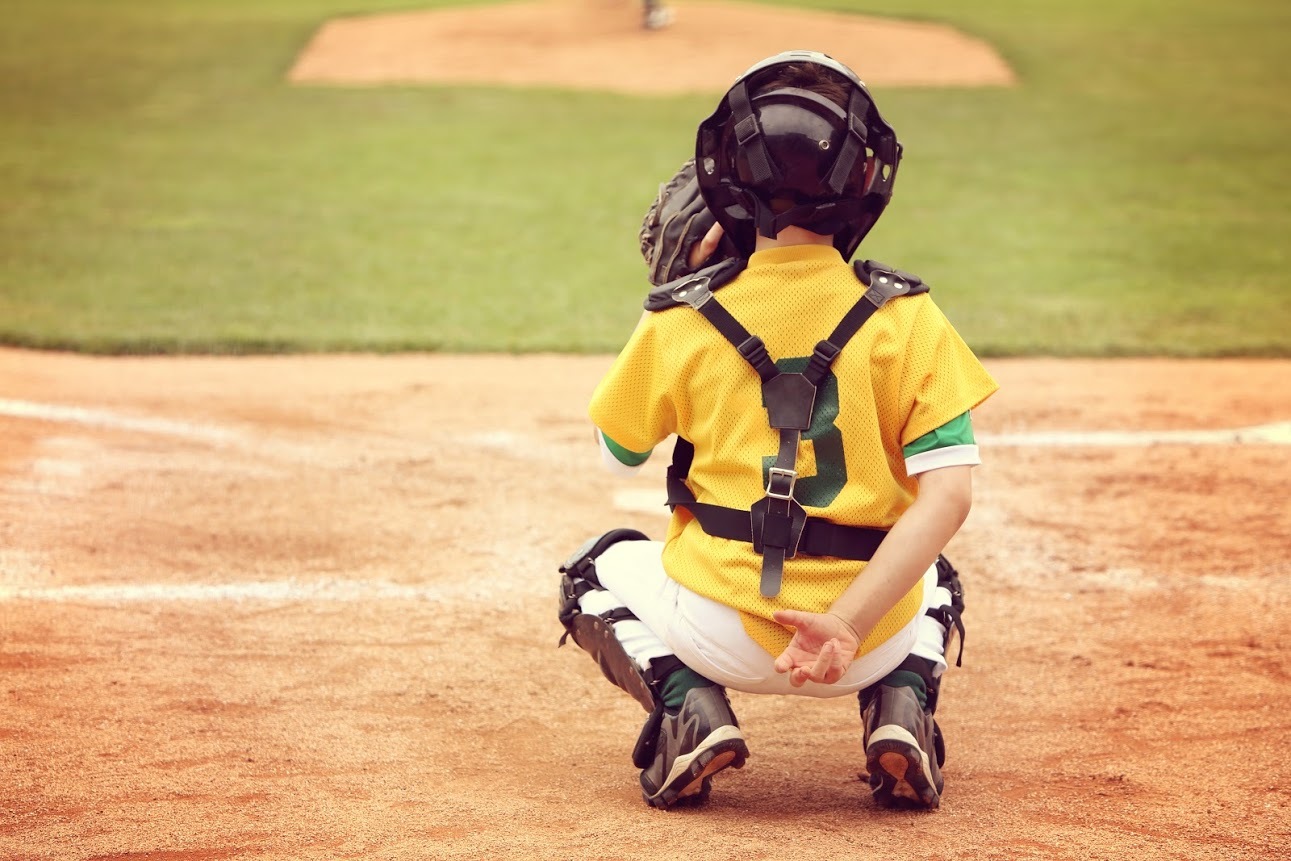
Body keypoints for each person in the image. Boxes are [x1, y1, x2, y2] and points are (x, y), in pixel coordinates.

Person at [557, 50, 998, 811]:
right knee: (938, 573)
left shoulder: (682, 317)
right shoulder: (908, 315)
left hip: (714, 625)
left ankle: (685, 707)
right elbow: (948, 498)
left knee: (593, 570)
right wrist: (843, 623)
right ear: (866, 179)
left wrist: (666, 300)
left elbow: (614, 450)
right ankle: (899, 709)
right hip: (863, 638)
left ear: (723, 177)